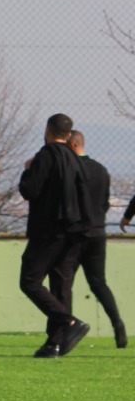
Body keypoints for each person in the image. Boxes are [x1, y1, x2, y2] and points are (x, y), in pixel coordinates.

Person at [19, 113, 92, 358]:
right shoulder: (76, 159)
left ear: (48, 131)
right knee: (61, 285)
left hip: (48, 229)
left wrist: (28, 171)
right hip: (76, 231)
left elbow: (30, 190)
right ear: (69, 135)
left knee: (29, 281)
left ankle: (68, 322)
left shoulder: (45, 156)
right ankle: (55, 344)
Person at [68, 130, 125, 348]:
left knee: (64, 283)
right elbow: (104, 203)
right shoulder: (101, 170)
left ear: (72, 146)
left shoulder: (71, 170)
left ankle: (66, 326)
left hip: (74, 235)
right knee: (99, 283)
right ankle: (117, 323)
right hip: (98, 233)